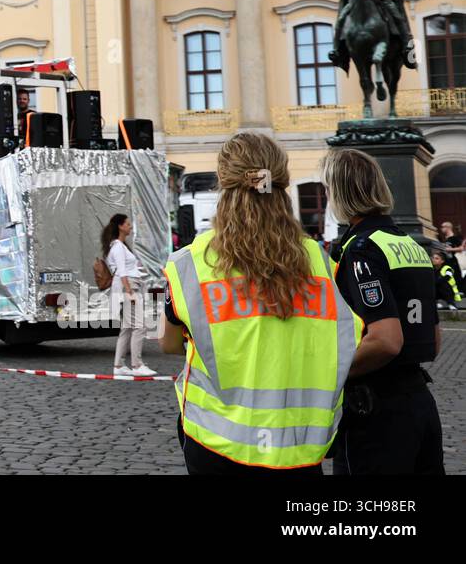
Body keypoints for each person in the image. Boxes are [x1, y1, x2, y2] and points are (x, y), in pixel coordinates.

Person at [160, 132, 360, 475]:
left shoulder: (189, 263)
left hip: (215, 441)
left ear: (224, 183)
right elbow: (345, 340)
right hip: (299, 444)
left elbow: (169, 344)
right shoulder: (321, 260)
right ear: (281, 183)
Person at [321, 148, 444, 475]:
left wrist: (329, 375)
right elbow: (433, 338)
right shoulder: (412, 245)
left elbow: (387, 341)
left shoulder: (362, 249)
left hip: (375, 408)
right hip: (419, 399)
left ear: (341, 192)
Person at [103, 213, 155, 377]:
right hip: (129, 286)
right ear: (120, 226)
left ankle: (118, 365)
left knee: (126, 328)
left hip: (128, 285)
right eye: (128, 224)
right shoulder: (118, 246)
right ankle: (137, 365)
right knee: (140, 326)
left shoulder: (119, 246)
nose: (130, 226)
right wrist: (130, 292)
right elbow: (122, 271)